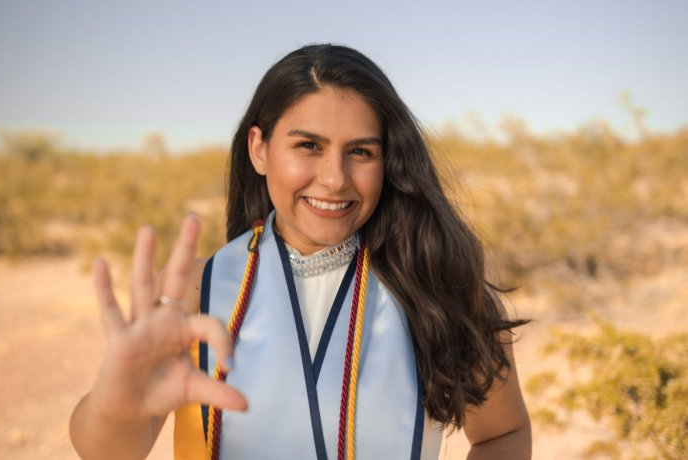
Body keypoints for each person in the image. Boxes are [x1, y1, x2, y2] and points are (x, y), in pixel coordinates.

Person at [70, 44, 531, 460]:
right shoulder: (197, 293)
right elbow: (107, 450)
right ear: (259, 150)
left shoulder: (436, 285)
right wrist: (116, 404)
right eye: (308, 146)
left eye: (361, 152)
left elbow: (501, 434)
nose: (335, 178)